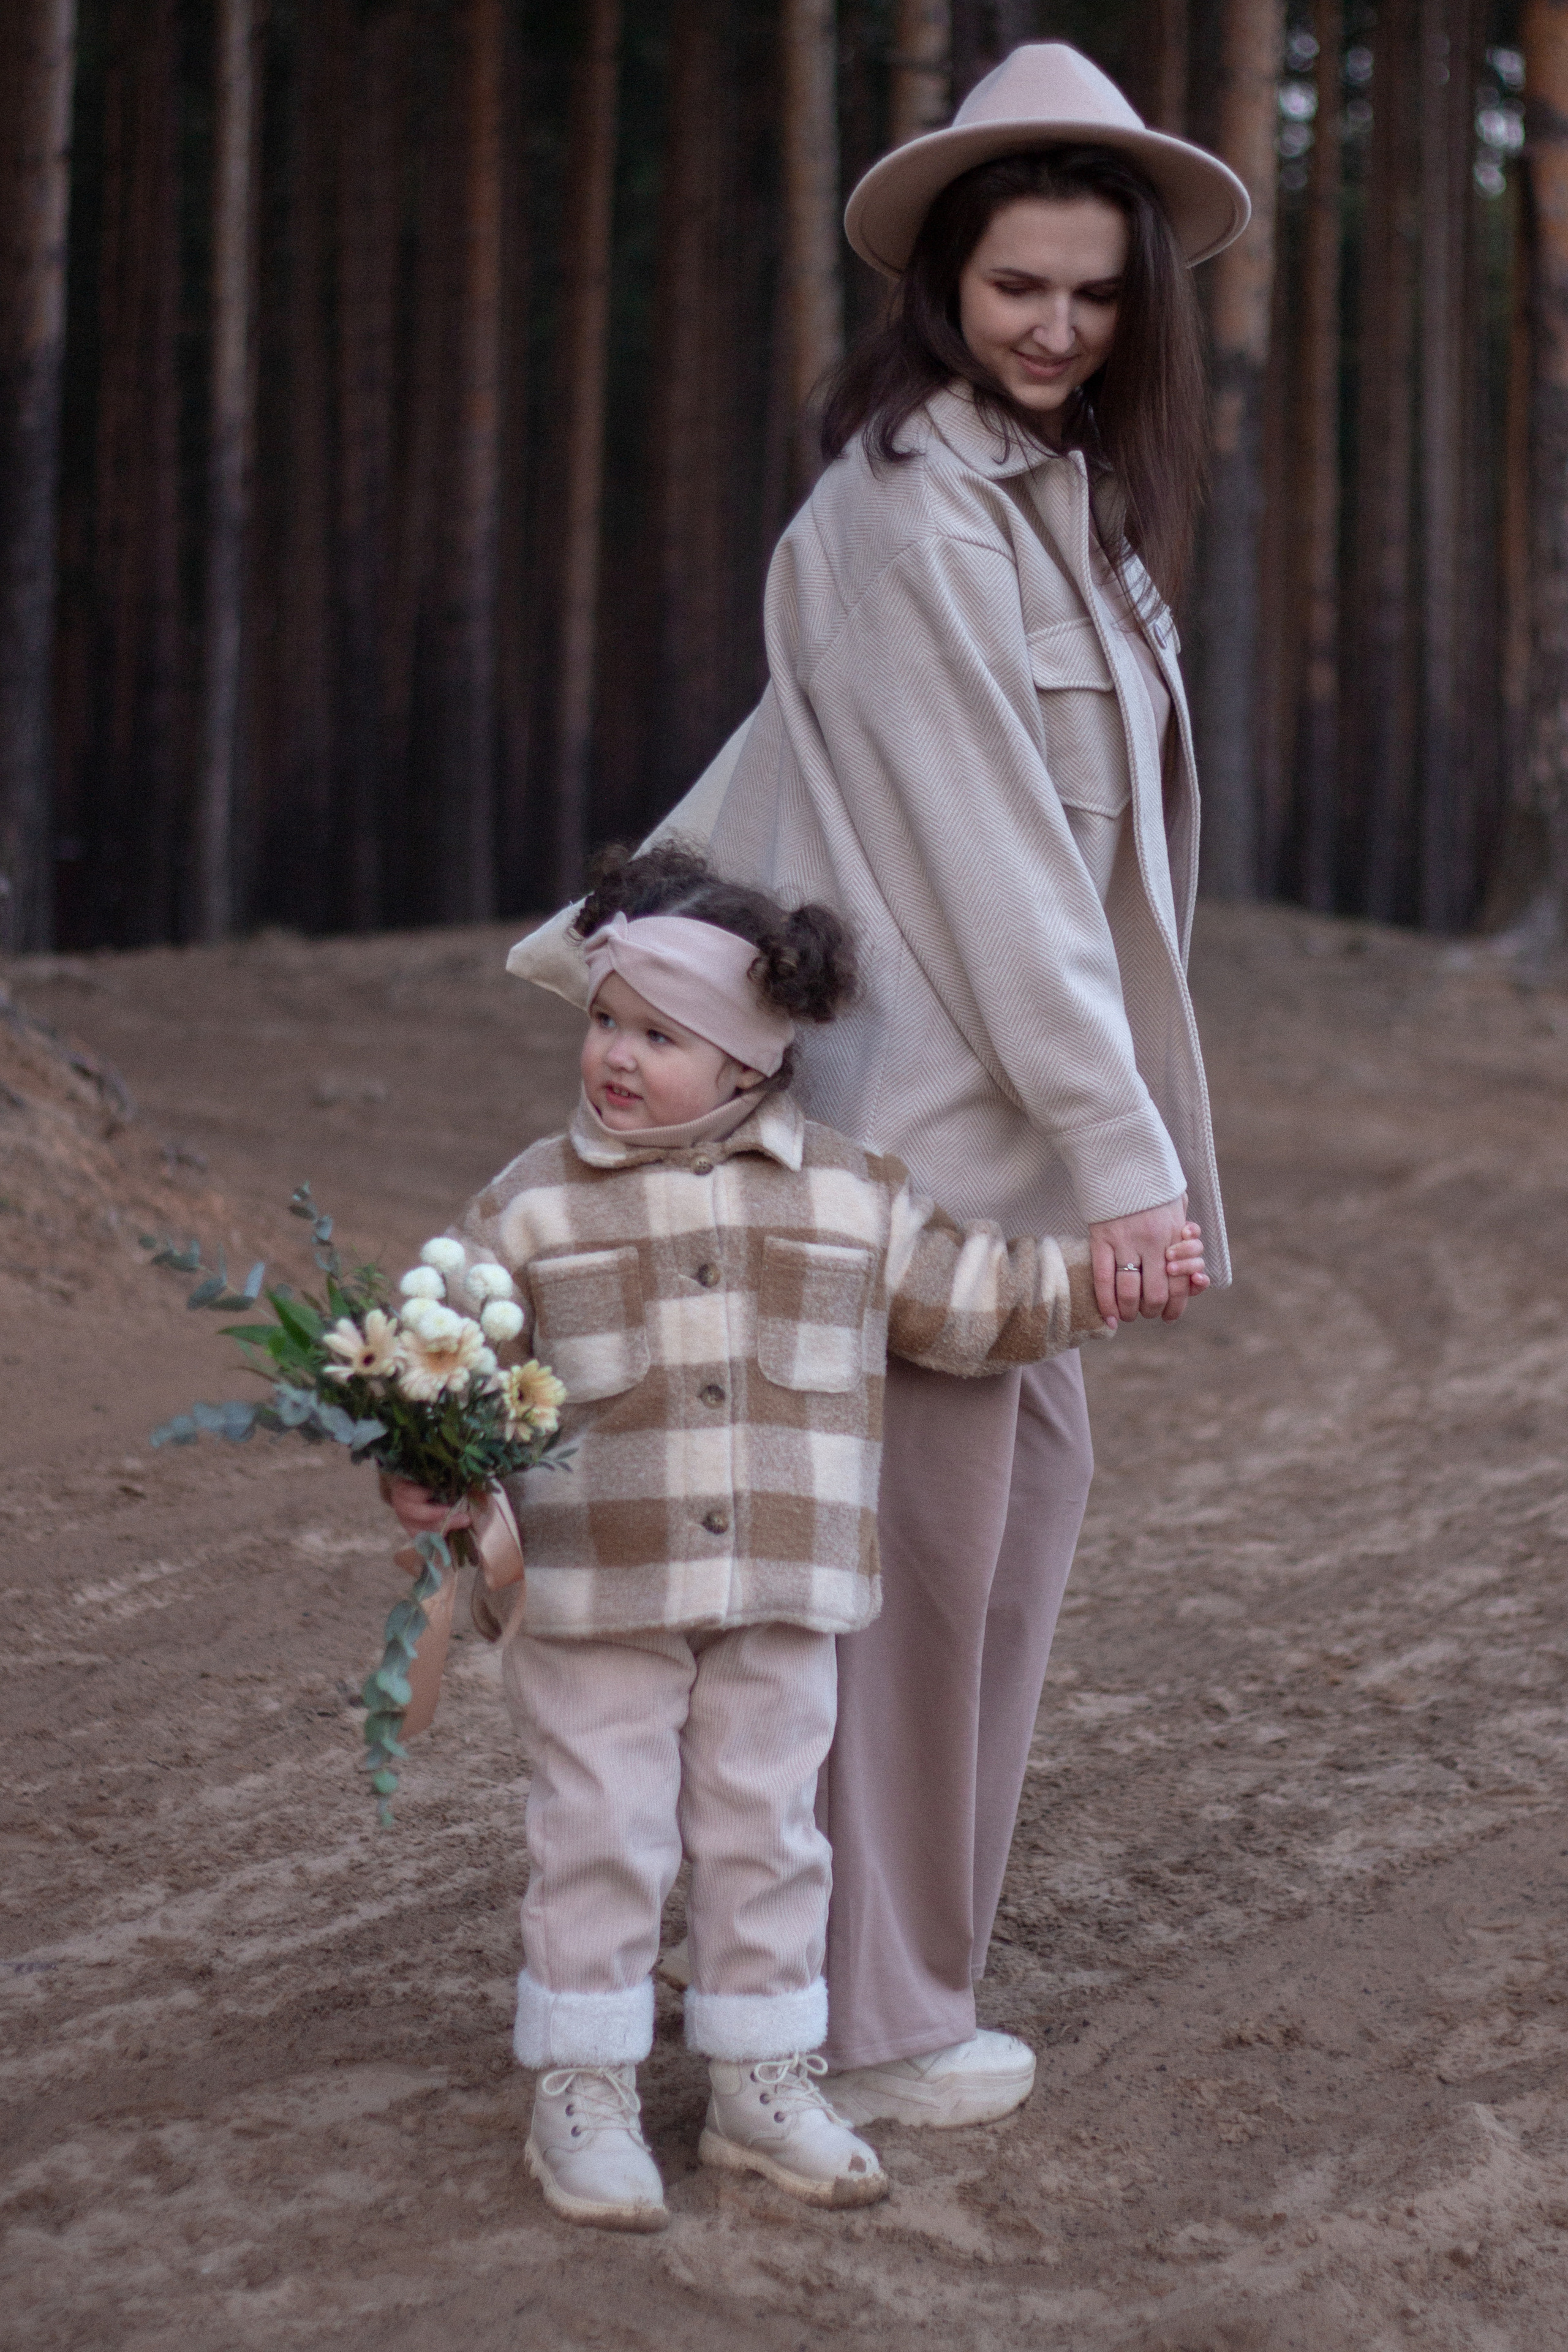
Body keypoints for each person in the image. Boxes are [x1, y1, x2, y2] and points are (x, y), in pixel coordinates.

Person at [507, 43, 1245, 2129]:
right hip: (914, 1159)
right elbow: (1010, 883)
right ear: (942, 283)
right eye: (1018, 284)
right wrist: (1136, 1170)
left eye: (1095, 294)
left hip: (998, 1161)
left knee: (1000, 1559)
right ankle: (864, 2022)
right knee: (912, 1597)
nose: (1056, 326)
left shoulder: (1076, 512)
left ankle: (870, 1978)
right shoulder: (907, 513)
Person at [387, 843, 1207, 2233]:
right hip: (599, 1591)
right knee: (599, 1828)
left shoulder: (847, 1194)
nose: (618, 1057)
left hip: (781, 1589)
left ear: (754, 1056)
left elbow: (972, 1299)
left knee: (769, 1831)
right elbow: (443, 1351)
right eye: (605, 1021)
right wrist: (421, 1459)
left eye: (661, 1033)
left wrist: (1097, 1284)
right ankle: (579, 2087)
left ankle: (761, 2078)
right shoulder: (529, 1205)